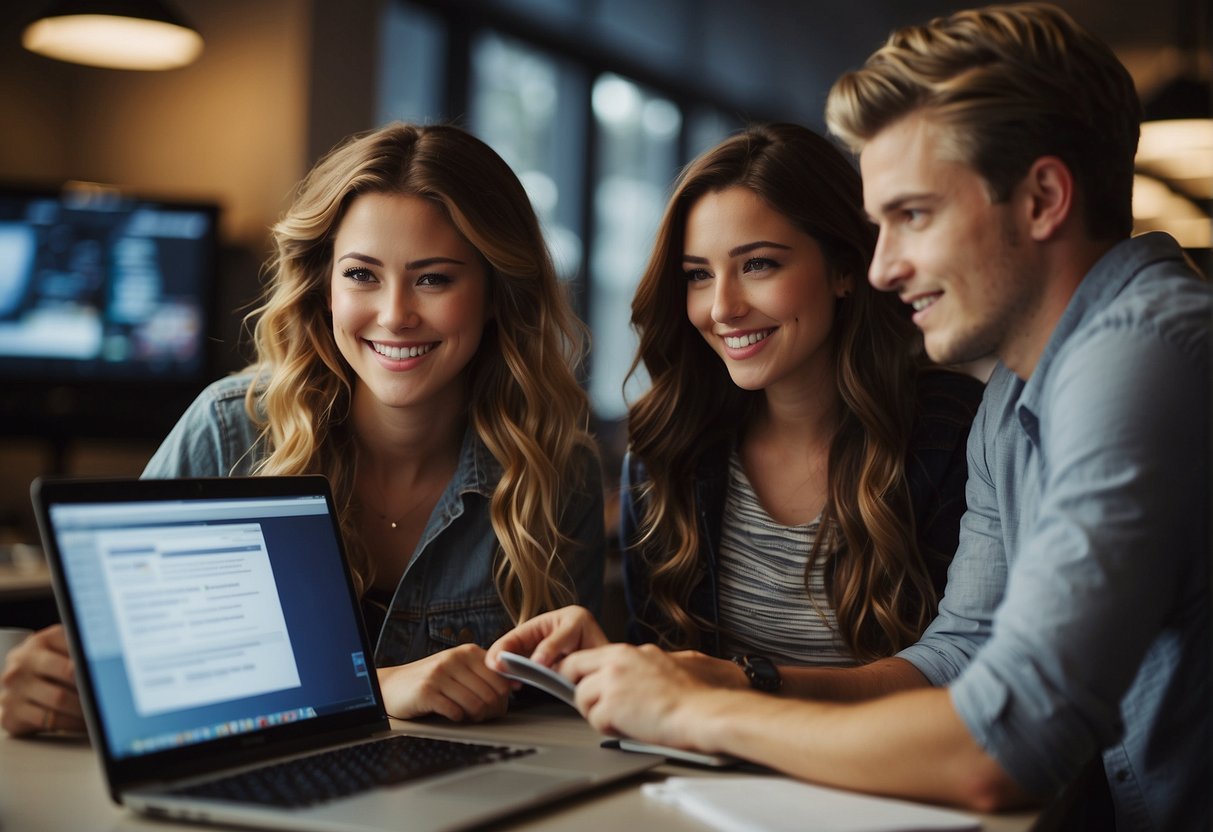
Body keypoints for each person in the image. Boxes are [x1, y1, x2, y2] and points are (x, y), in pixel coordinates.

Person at [488, 4, 1211, 830]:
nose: (883, 267)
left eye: (912, 216)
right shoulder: (1017, 391)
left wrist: (692, 714)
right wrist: (708, 678)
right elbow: (958, 656)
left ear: (1042, 197)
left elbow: (1005, 744)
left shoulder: (1143, 357)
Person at [1, 122, 605, 737]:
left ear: (496, 293)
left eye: (434, 279)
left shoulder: (556, 472)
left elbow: (560, 721)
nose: (394, 315)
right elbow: (129, 671)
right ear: (323, 285)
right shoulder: (229, 429)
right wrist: (43, 687)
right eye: (361, 275)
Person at [620, 122, 981, 688]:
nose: (722, 308)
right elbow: (657, 681)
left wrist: (747, 689)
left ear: (842, 269)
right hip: (699, 770)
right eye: (697, 275)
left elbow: (968, 675)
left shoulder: (951, 432)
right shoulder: (671, 444)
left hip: (889, 771)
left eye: (758, 264)